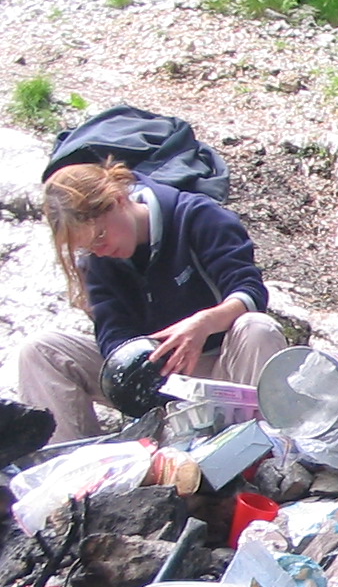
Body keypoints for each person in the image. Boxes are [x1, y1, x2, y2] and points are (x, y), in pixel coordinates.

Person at [16, 159, 286, 442]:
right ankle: (72, 462)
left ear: (119, 199)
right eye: (89, 247)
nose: (101, 250)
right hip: (158, 375)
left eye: (100, 236)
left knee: (257, 327)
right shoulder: (100, 260)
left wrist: (204, 324)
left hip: (222, 365)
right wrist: (144, 371)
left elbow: (249, 291)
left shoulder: (196, 216)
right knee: (40, 351)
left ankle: (257, 445)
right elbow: (112, 332)